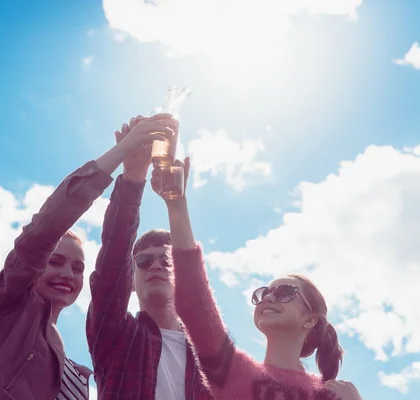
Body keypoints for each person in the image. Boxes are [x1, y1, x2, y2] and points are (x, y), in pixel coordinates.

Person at [0, 114, 176, 400]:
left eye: (78, 268)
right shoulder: (4, 303)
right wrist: (122, 156)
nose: (68, 274)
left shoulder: (69, 364)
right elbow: (46, 228)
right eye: (54, 262)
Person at [155, 159, 364, 400]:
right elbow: (194, 304)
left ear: (309, 319)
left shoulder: (330, 395)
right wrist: (177, 205)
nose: (268, 298)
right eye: (263, 293)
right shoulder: (236, 373)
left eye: (284, 292)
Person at [86, 116, 211, 399]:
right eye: (143, 261)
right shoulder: (116, 335)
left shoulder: (208, 352)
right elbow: (113, 260)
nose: (156, 265)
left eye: (166, 261)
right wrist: (133, 177)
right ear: (130, 281)